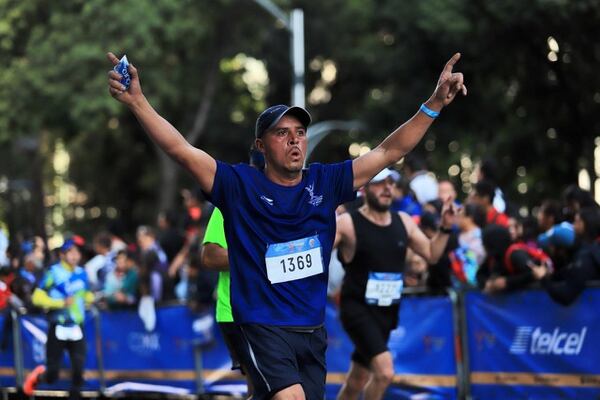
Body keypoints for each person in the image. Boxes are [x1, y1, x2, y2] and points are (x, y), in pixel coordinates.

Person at [107, 51, 466, 399]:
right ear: (260, 145)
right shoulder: (238, 185)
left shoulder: (326, 182)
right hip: (260, 325)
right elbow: (181, 150)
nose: (295, 139)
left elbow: (389, 151)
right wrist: (138, 102)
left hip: (311, 329)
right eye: (282, 133)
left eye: (300, 132)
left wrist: (433, 103)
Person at [334, 169, 457, 399]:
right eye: (380, 183)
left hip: (386, 312)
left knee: (357, 380)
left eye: (391, 183)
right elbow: (317, 252)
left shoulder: (404, 221)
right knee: (384, 373)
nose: (387, 188)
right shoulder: (348, 223)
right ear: (366, 188)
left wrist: (445, 227)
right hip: (357, 309)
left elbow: (432, 254)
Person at [23, 239, 94, 399]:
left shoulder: (82, 273)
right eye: (71, 252)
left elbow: (85, 294)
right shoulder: (53, 273)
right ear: (62, 255)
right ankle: (39, 376)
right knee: (53, 374)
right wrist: (60, 303)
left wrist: (92, 298)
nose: (75, 256)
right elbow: (37, 297)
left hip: (76, 326)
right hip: (58, 325)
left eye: (77, 252)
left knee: (79, 371)